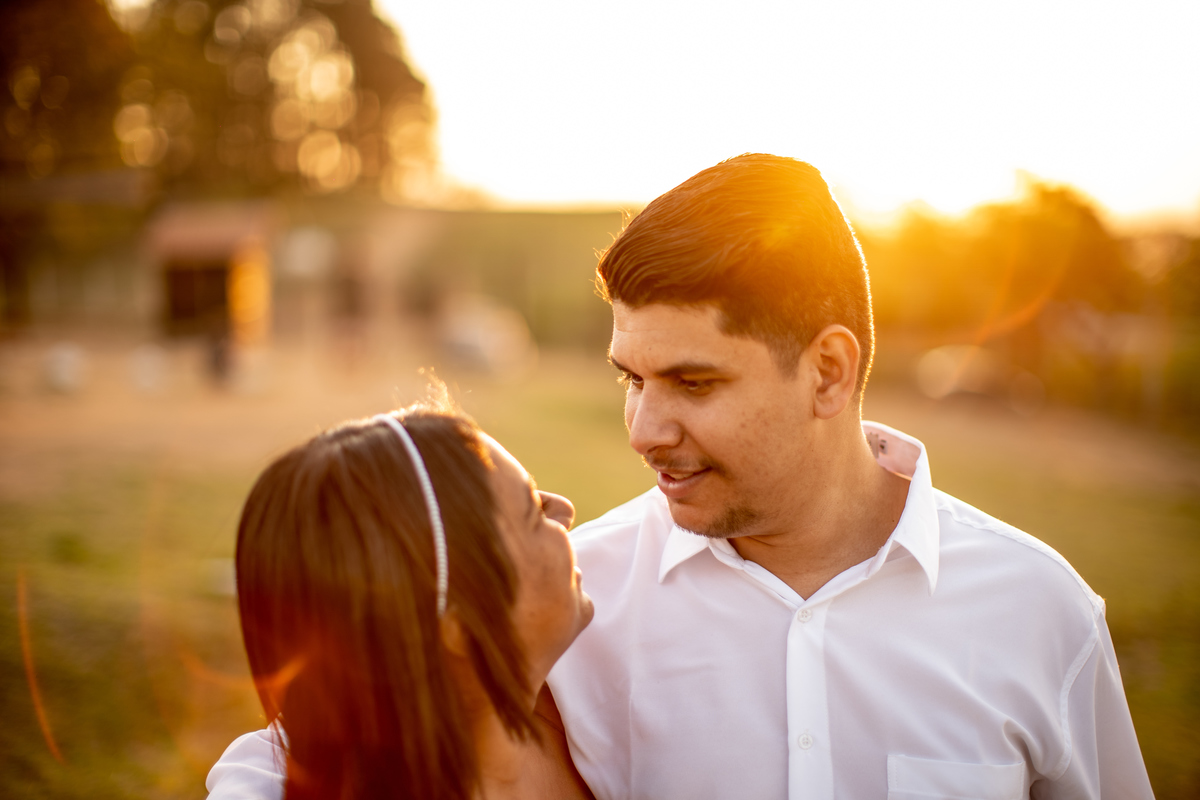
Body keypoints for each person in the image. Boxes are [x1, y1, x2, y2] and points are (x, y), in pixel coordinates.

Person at [209, 154, 1155, 798]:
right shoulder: (569, 599)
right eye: (631, 378)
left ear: (828, 370)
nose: (643, 430)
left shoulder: (1042, 614)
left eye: (693, 382)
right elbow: (328, 732)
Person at [208, 398, 594, 800]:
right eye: (533, 511)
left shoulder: (584, 702)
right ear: (459, 624)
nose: (565, 510)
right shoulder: (265, 781)